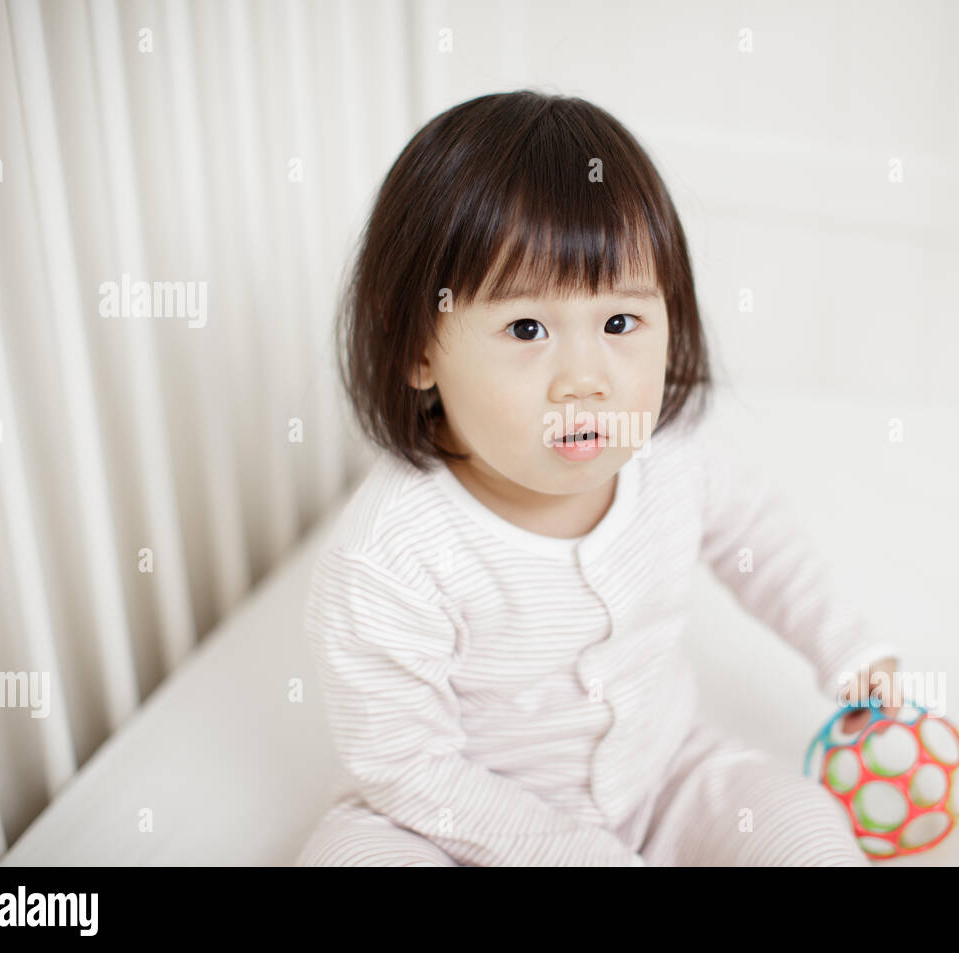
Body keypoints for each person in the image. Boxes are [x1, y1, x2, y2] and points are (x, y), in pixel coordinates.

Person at [295, 90, 901, 867]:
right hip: (455, 824)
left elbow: (764, 543)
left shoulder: (673, 458)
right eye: (526, 329)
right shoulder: (389, 556)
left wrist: (851, 653)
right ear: (418, 349)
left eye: (620, 323)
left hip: (662, 783)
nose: (585, 378)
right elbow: (407, 768)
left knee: (803, 826)